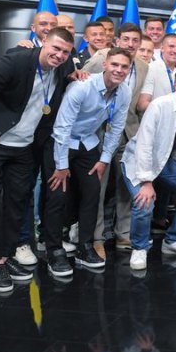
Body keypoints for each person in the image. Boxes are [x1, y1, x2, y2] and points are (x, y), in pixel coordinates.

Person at [0, 28, 75, 293]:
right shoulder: (14, 61)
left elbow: (67, 81)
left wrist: (78, 74)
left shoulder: (63, 68)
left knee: (16, 204)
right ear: (43, 42)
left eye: (65, 52)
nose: (59, 55)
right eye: (56, 48)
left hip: (24, 148)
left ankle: (6, 256)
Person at [43, 47, 132, 275]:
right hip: (61, 143)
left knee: (93, 192)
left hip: (88, 143)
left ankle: (85, 246)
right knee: (57, 196)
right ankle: (54, 251)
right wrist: (61, 165)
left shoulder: (124, 92)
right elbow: (62, 128)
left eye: (124, 66)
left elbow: (116, 128)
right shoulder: (82, 87)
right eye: (115, 64)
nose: (119, 70)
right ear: (105, 64)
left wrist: (104, 160)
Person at [122, 71, 176, 270]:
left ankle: (173, 240)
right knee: (145, 202)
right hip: (138, 161)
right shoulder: (159, 106)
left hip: (165, 161)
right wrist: (146, 182)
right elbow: (144, 145)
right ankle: (139, 247)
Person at [82, 23, 149, 256]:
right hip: (99, 132)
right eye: (126, 39)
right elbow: (81, 79)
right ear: (117, 41)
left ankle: (124, 235)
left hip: (129, 133)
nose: (131, 44)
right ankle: (97, 238)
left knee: (126, 186)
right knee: (97, 188)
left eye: (135, 40)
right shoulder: (102, 59)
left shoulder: (144, 66)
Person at [137, 34, 176, 113]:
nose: (175, 51)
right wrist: (167, 109)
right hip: (156, 118)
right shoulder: (151, 69)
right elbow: (142, 105)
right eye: (171, 46)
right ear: (162, 48)